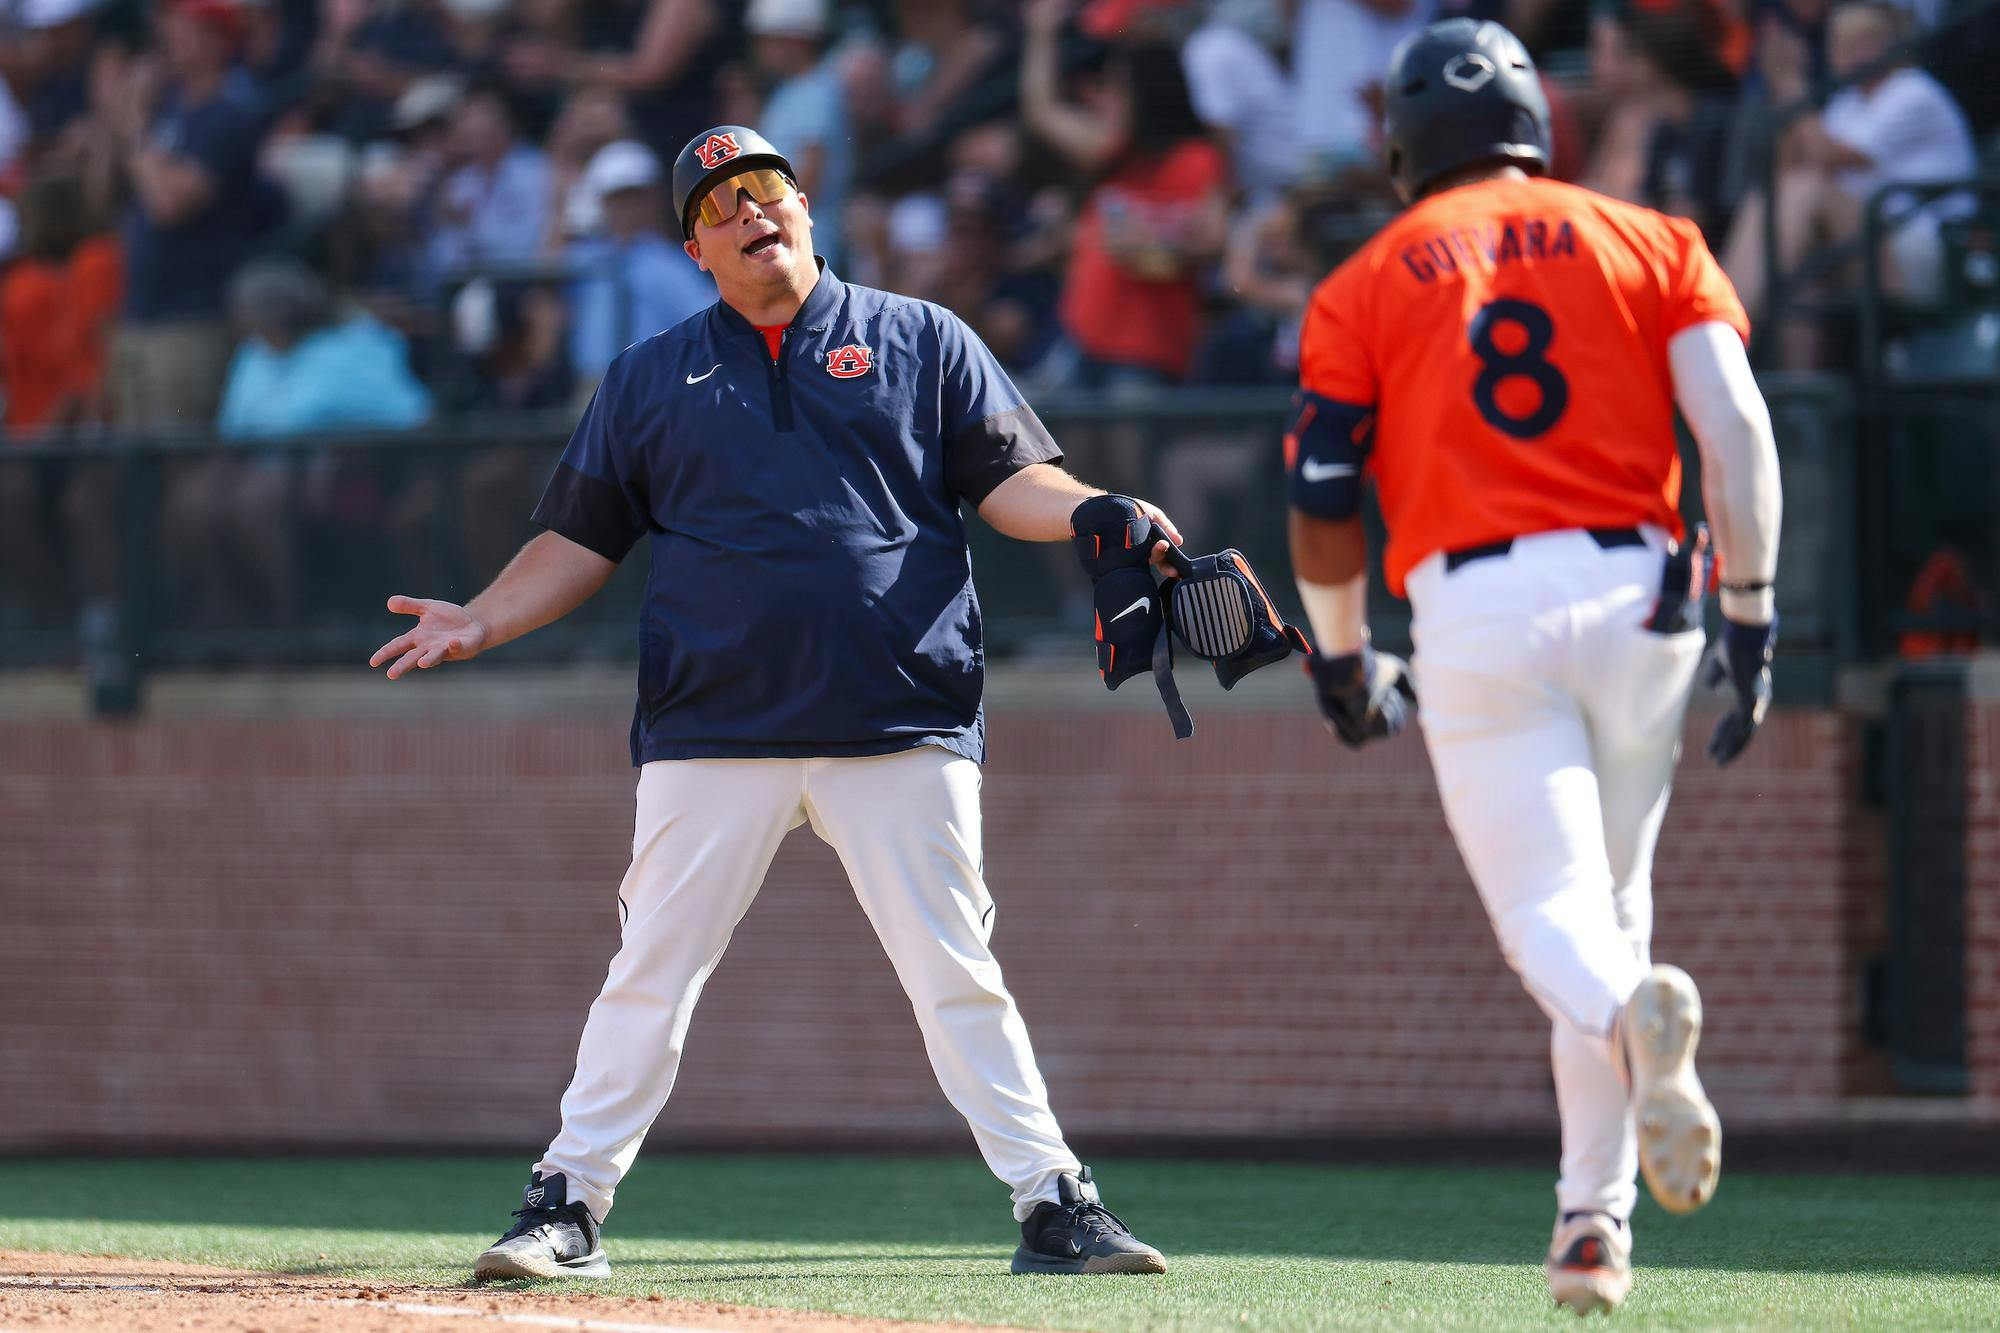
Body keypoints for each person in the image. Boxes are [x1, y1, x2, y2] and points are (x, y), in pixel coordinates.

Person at [369, 124, 1174, 1283]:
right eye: (721, 204)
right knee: (652, 969)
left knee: (956, 968)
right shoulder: (650, 374)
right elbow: (578, 537)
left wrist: (1100, 510)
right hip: (714, 724)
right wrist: (482, 619)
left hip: (899, 713)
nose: (752, 212)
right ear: (696, 246)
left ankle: (1053, 1201)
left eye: (767, 189)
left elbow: (1014, 483)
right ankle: (567, 1204)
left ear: (805, 207)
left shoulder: (919, 337)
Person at [1282, 20, 1782, 1315]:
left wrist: (1340, 657)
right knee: (1613, 910)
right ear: (1536, 128)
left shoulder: (1365, 281)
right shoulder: (1650, 237)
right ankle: (1590, 1226)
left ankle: (1631, 1035)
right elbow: (1735, 426)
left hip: (1479, 604)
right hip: (1646, 594)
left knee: (1554, 926)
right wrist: (1754, 607)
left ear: (1403, 144)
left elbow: (1326, 495)